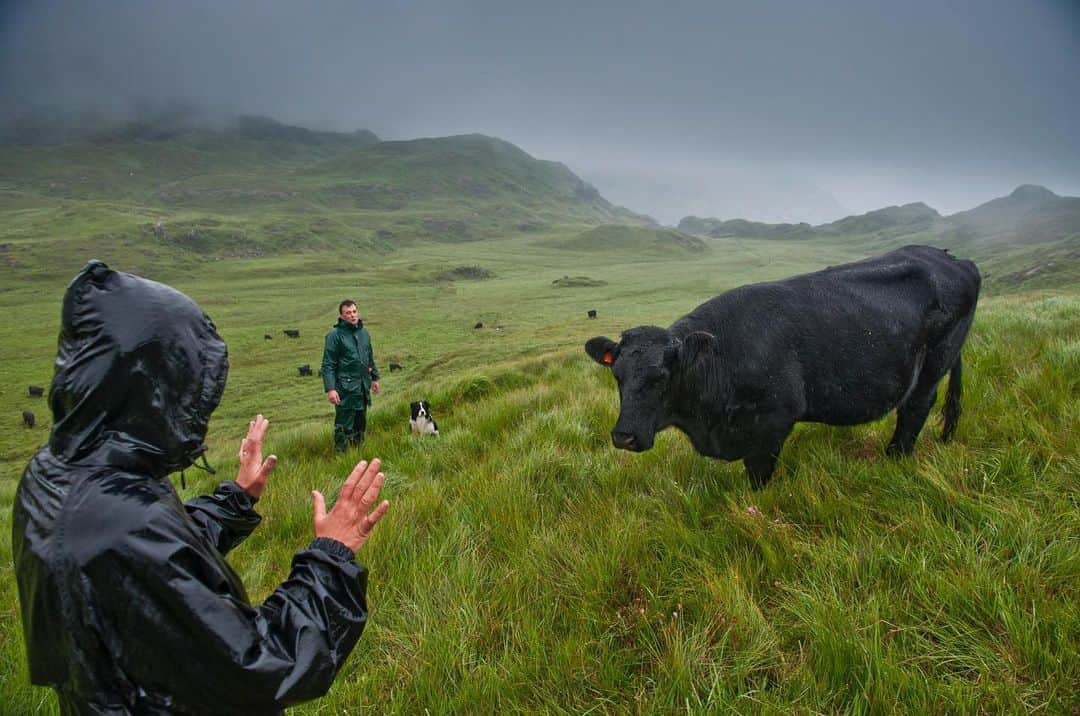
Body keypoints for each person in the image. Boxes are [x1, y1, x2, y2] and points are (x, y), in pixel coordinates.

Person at [12, 261, 390, 715]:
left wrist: (235, 499)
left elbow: (160, 557)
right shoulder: (122, 524)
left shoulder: (58, 475)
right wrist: (330, 555)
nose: (198, 416)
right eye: (186, 395)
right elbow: (260, 666)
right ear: (147, 390)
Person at [321, 299, 380, 452]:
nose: (352, 315)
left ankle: (358, 455)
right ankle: (342, 458)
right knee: (344, 426)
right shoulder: (334, 335)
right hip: (345, 389)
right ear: (341, 316)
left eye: (354, 311)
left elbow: (369, 356)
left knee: (360, 424)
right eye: (348, 313)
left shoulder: (363, 333)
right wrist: (331, 389)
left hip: (362, 387)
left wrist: (374, 377)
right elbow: (328, 364)